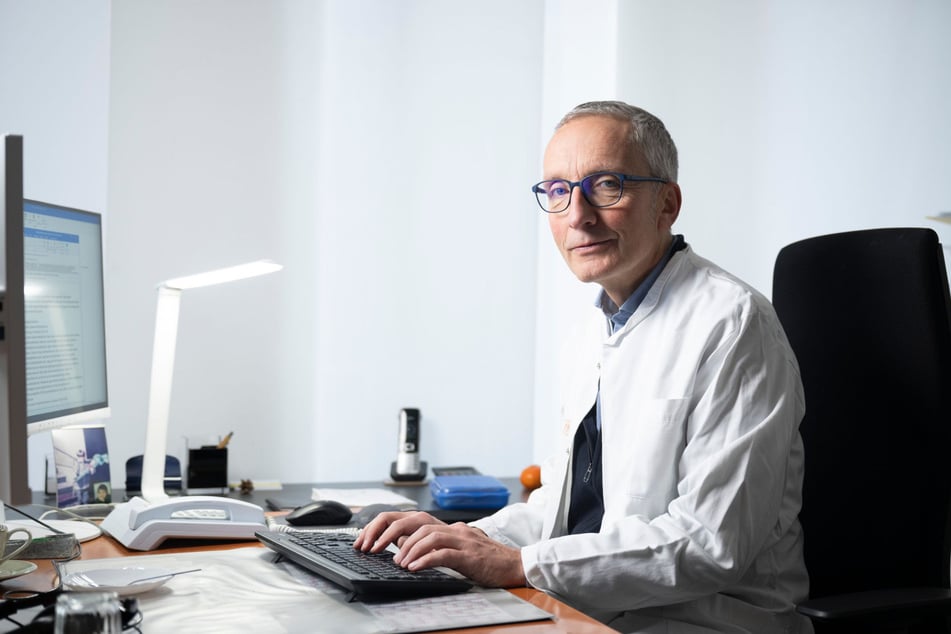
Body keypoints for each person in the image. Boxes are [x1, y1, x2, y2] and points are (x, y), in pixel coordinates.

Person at [355, 101, 811, 633]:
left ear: (667, 203)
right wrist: (470, 539)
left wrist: (518, 564)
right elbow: (564, 511)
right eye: (557, 191)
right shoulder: (593, 331)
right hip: (590, 610)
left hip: (709, 620)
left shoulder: (732, 324)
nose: (577, 214)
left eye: (607, 185)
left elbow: (712, 544)